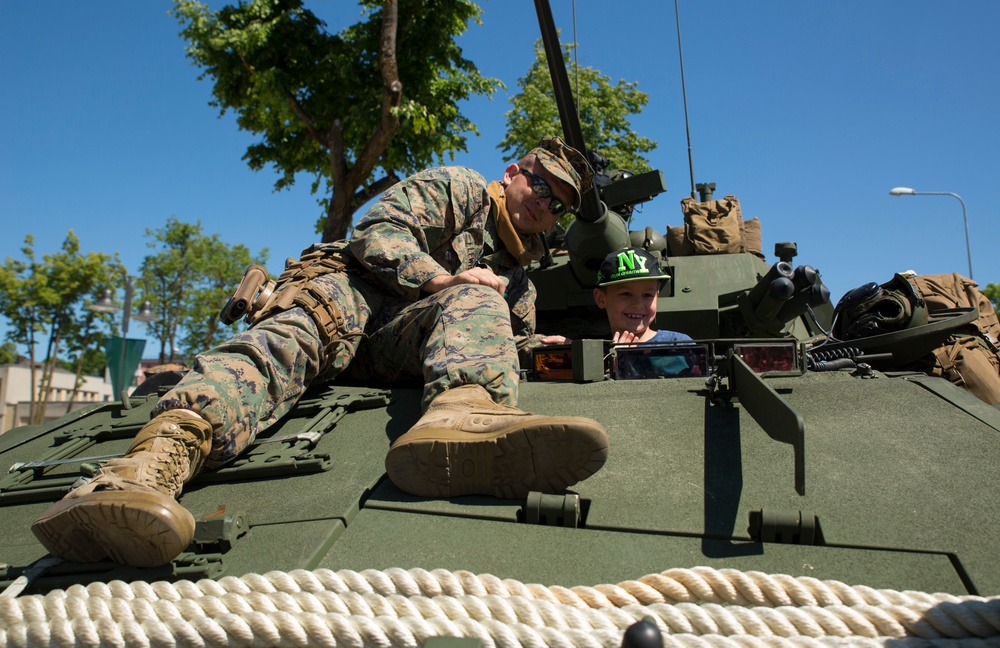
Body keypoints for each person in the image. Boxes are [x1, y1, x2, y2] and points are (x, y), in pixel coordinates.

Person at [32, 137, 610, 568]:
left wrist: (534, 345)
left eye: (558, 205)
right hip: (346, 300)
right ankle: (138, 476)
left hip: (395, 346)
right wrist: (441, 279)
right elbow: (378, 230)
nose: (544, 206)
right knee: (273, 352)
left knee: (481, 299)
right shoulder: (460, 189)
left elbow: (492, 336)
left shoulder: (519, 281)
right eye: (541, 187)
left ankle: (463, 423)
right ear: (513, 173)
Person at [593, 247, 693, 345]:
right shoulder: (592, 352)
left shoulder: (678, 345)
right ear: (600, 298)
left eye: (647, 295)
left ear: (656, 296)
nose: (638, 305)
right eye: (626, 294)